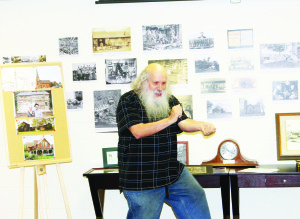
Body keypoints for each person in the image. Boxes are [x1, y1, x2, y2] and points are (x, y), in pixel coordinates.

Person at [116, 63, 216, 219]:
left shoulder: (170, 100)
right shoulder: (128, 101)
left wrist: (201, 125)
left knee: (195, 196)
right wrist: (170, 120)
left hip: (171, 171)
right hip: (141, 177)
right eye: (156, 83)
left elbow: (183, 122)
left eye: (163, 83)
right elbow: (138, 131)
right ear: (143, 81)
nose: (160, 88)